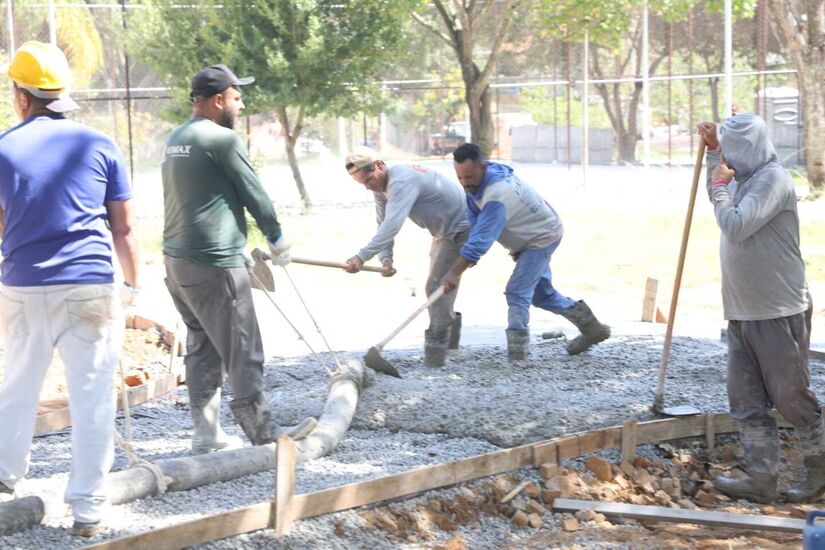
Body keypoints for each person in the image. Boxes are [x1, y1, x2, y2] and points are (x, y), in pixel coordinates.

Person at [0, 41, 141, 537]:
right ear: (61, 94)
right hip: (89, 285)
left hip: (23, 286)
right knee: (91, 396)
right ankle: (88, 509)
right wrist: (133, 284)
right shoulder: (98, 144)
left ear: (21, 96)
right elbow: (122, 229)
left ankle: (3, 478)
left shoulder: (2, 149)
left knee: (17, 384)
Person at [162, 64, 315, 455]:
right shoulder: (221, 140)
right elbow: (253, 193)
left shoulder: (177, 137)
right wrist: (277, 240)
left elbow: (203, 201)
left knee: (202, 345)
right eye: (236, 97)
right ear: (217, 100)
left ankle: (206, 433)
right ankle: (264, 434)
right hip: (213, 262)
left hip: (177, 262)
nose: (242, 105)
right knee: (242, 345)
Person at [698, 114, 824, 504]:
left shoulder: (772, 180)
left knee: (791, 399)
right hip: (741, 309)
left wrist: (719, 183)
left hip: (777, 309)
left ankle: (820, 473)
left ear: (750, 149)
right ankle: (762, 478)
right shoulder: (741, 177)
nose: (729, 161)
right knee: (747, 401)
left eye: (733, 152)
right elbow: (718, 190)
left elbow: (735, 224)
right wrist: (713, 155)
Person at [442, 143, 610, 360]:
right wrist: (468, 254)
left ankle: (517, 356)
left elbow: (482, 237)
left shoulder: (496, 194)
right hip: (535, 234)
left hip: (540, 237)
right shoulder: (479, 182)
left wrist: (455, 271)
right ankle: (593, 329)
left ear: (482, 166)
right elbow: (476, 219)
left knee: (517, 291)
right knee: (541, 295)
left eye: (470, 177)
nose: (466, 184)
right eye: (461, 179)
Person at [344, 146, 469, 367]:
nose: (368, 187)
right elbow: (383, 223)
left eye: (369, 180)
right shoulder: (380, 188)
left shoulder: (401, 181)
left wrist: (360, 258)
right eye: (363, 184)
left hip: (462, 226)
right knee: (441, 285)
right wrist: (385, 258)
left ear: (380, 165)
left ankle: (436, 353)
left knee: (435, 286)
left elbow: (392, 225)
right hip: (444, 232)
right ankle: (449, 344)